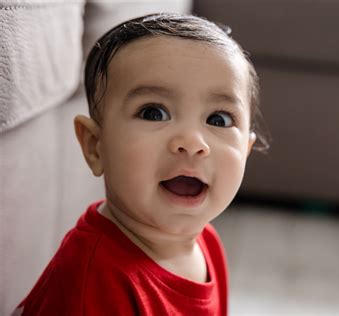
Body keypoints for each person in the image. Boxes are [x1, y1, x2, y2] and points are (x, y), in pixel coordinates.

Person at [14, 12, 269, 316]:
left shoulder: (206, 242)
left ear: (246, 151)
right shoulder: (95, 281)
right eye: (153, 113)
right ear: (96, 147)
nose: (191, 141)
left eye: (219, 119)